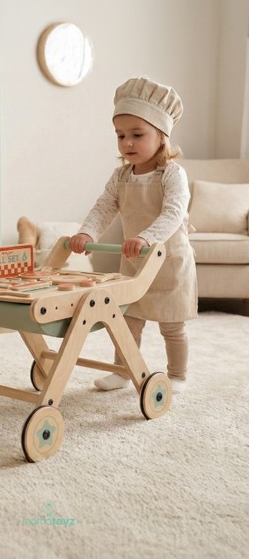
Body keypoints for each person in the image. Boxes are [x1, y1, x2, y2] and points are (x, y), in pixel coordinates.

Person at [69, 76, 197, 394]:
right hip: (134, 260)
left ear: (162, 137)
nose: (127, 143)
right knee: (127, 321)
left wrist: (146, 238)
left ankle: (177, 375)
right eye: (121, 135)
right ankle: (123, 370)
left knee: (172, 325)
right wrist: (87, 232)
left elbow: (174, 213)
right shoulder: (121, 175)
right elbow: (104, 207)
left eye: (137, 135)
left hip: (168, 262)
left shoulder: (173, 174)